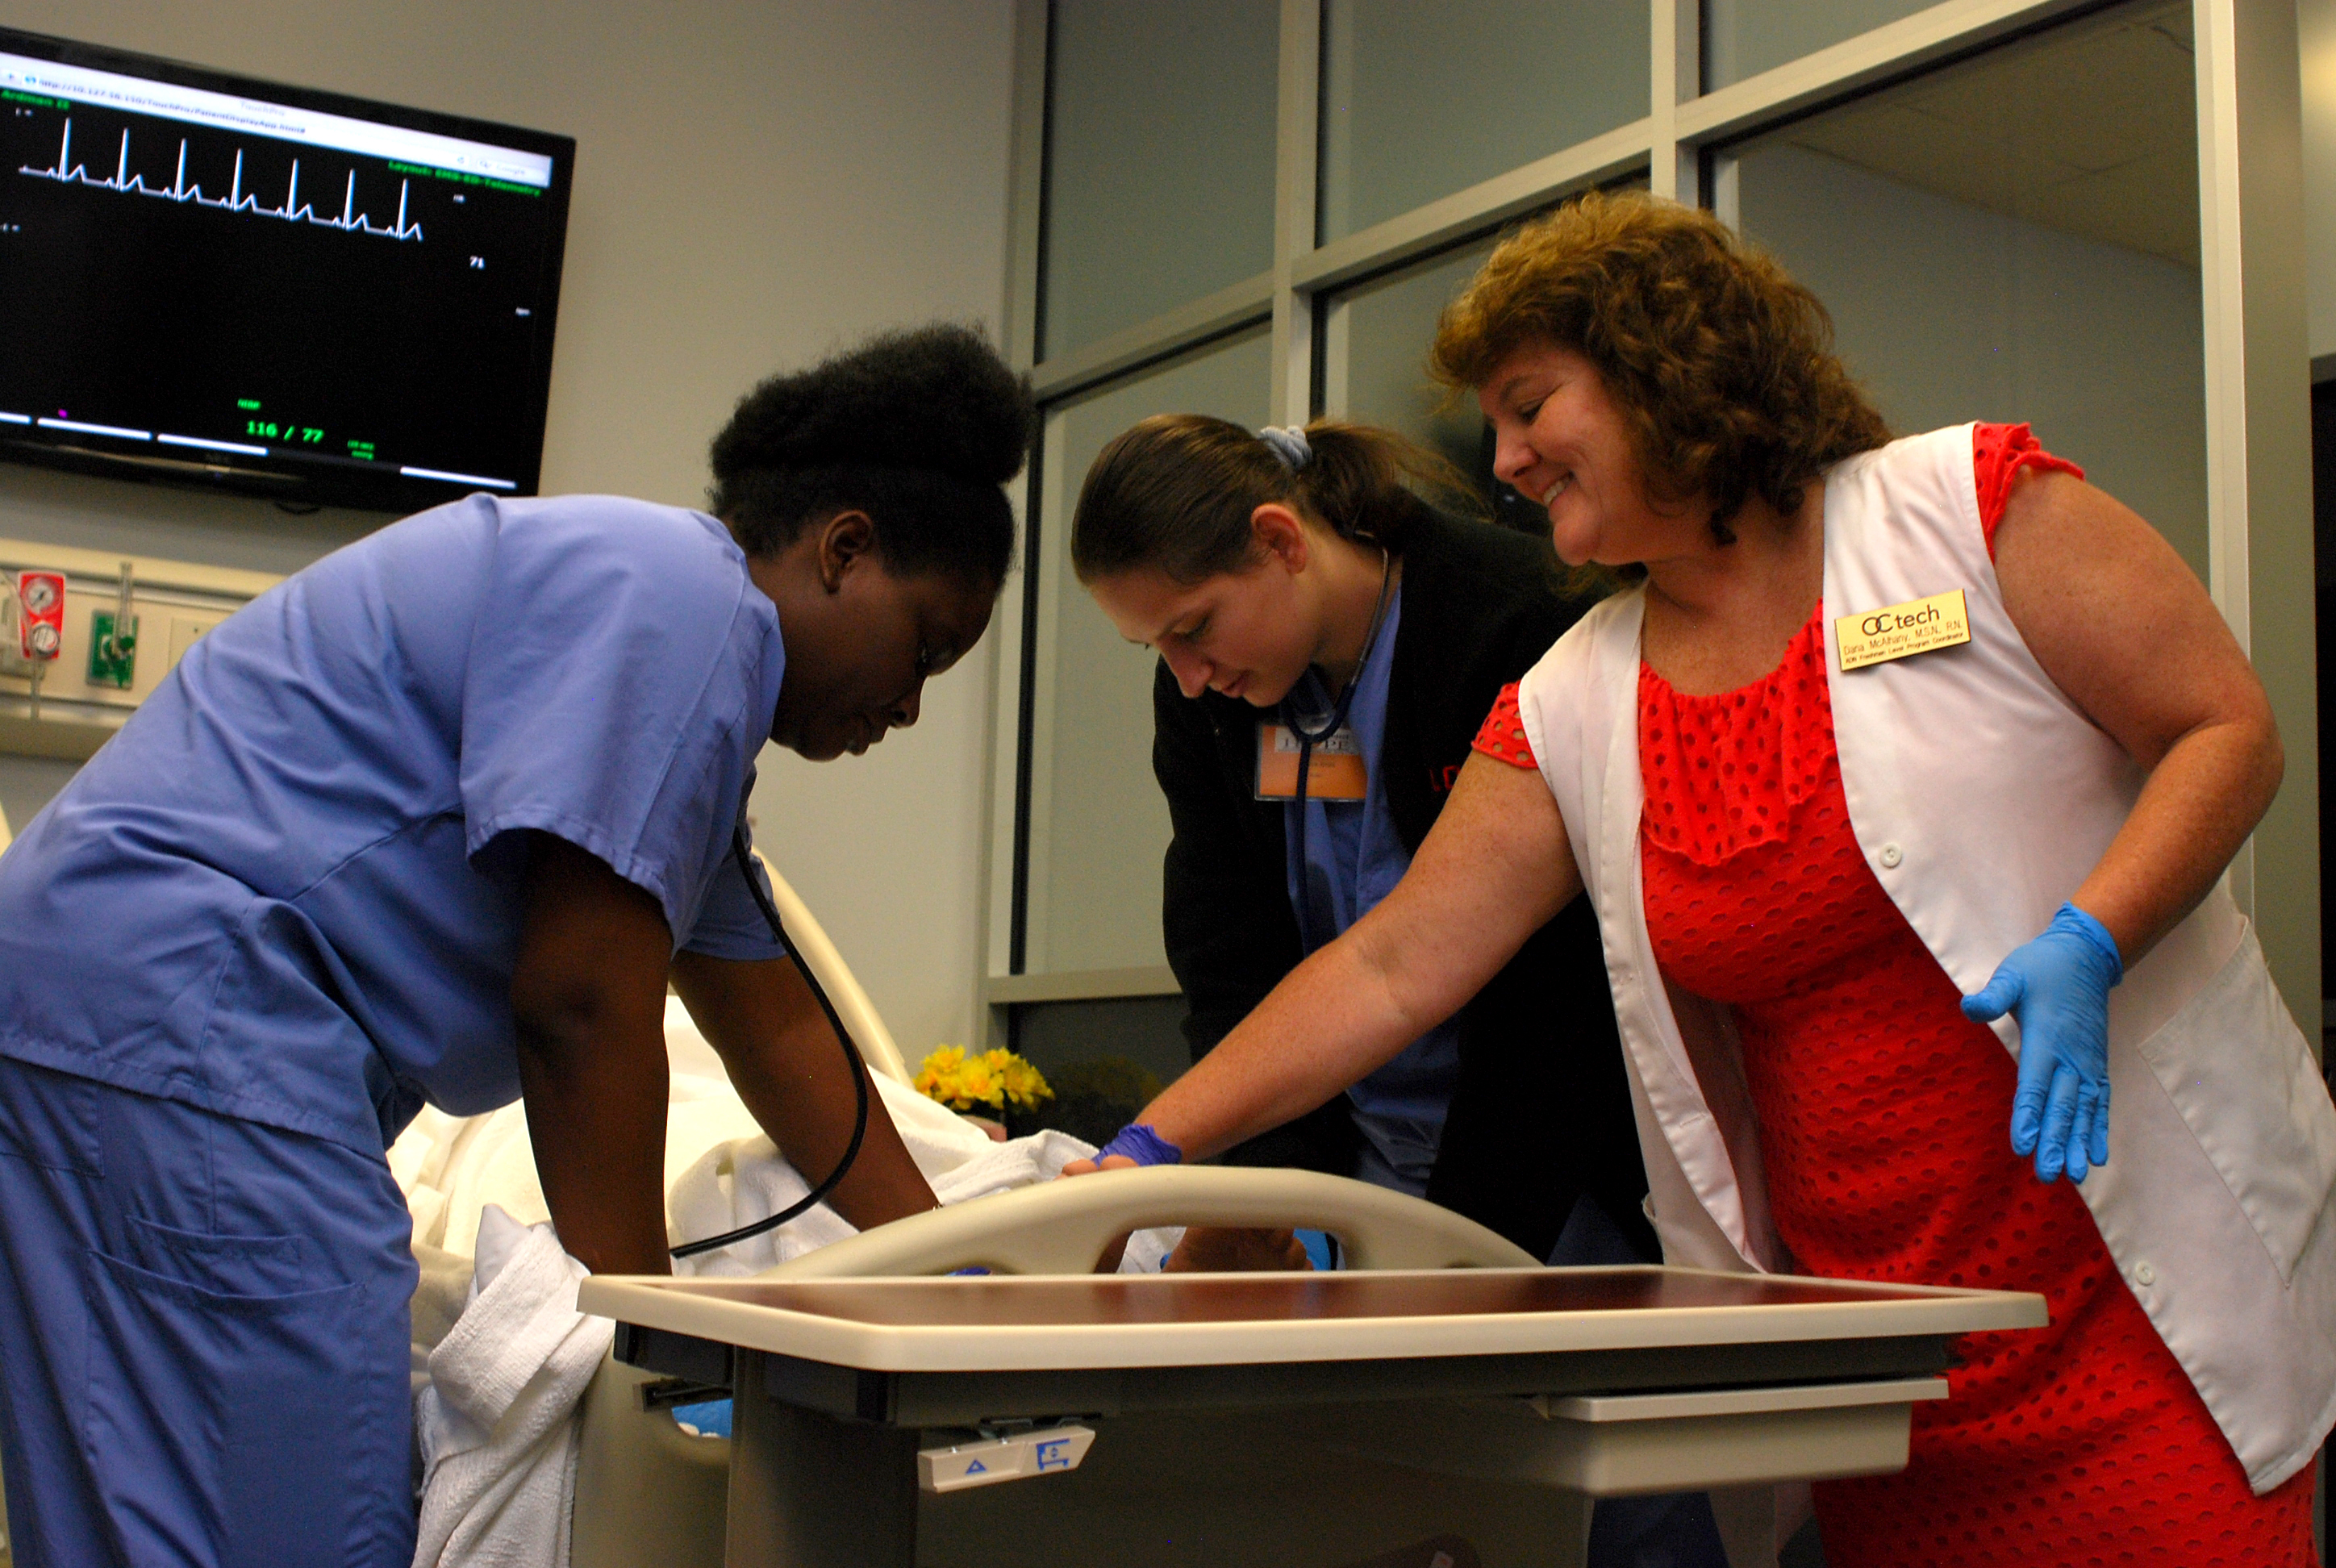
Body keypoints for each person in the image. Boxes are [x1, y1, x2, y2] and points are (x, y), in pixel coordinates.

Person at [1070, 193, 2336, 1566]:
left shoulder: (1962, 512)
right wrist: (1141, 1156)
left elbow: (2227, 727)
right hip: (1869, 1340)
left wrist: (2097, 935)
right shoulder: (1574, 693)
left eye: (1529, 406)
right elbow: (1389, 966)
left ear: (1661, 363)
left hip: (2129, 1296)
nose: (1499, 462)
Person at [0, 323, 1033, 1568]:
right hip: (198, 1028)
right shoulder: (689, 605)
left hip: (107, 1015)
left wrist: (979, 1284)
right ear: (844, 549)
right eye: (925, 647)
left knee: (148, 1527)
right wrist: (644, 1346)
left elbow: (777, 1030)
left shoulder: (668, 680)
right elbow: (583, 1004)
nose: (910, 706)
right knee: (306, 1533)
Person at [1074, 415, 1727, 1567]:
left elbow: (1546, 996)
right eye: (1157, 652)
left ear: (1279, 540)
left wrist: (1452, 1251)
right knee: (1395, 1499)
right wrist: (1264, 1197)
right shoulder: (1215, 699)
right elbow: (1231, 962)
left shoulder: (1514, 618)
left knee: (1611, 1496)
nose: (1189, 677)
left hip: (1550, 1142)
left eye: (1193, 629)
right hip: (1362, 1144)